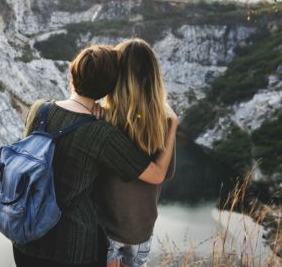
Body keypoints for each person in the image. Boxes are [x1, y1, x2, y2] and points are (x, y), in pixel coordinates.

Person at [12, 44, 178, 267]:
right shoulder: (102, 132)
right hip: (73, 246)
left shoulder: (39, 110)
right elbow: (158, 174)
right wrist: (172, 124)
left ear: (72, 73)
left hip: (25, 234)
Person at [94, 38, 177, 267]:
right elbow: (165, 173)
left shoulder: (103, 117)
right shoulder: (163, 122)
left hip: (107, 227)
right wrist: (173, 126)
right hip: (141, 229)